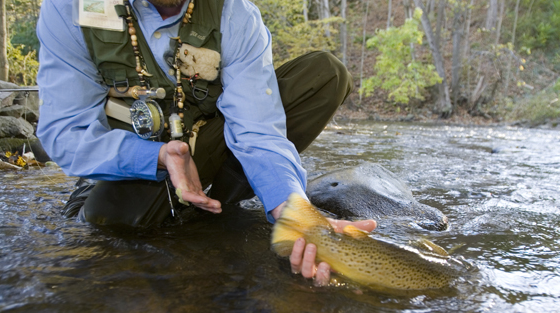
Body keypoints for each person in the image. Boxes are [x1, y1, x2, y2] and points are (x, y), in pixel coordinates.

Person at [36, 0, 376, 285]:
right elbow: (65, 132)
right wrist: (154, 156)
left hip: (207, 143)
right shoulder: (70, 8)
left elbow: (257, 129)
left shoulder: (235, 14)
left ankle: (218, 204)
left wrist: (295, 212)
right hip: (134, 160)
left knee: (324, 72)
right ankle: (185, 203)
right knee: (106, 222)